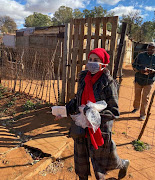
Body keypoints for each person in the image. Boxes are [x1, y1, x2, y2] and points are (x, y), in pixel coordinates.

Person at [54, 48, 129, 180]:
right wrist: (64, 111)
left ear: (103, 63)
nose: (91, 63)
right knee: (81, 161)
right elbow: (78, 100)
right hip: (81, 126)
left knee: (101, 164)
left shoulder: (108, 82)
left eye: (96, 60)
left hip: (99, 129)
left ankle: (123, 164)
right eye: (90, 60)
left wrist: (94, 114)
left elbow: (114, 110)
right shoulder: (84, 78)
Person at [131, 42, 155, 121]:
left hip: (149, 81)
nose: (151, 49)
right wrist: (139, 70)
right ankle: (136, 107)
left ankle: (142, 114)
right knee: (137, 95)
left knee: (145, 98)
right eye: (150, 48)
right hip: (139, 79)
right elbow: (134, 65)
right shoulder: (140, 55)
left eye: (153, 48)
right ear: (147, 48)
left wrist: (153, 71)